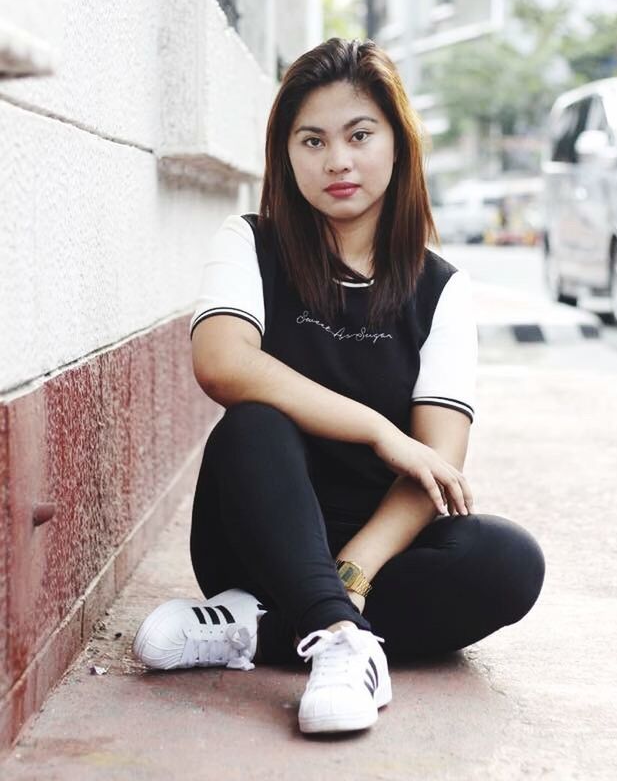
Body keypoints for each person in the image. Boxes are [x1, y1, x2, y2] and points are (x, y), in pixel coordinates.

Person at [132, 37, 545, 735]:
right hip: (252, 538)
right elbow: (223, 363)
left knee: (508, 562)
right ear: (286, 155)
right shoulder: (248, 243)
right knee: (254, 421)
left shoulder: (441, 288)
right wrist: (381, 431)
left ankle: (252, 629)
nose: (338, 161)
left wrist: (349, 572)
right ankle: (341, 644)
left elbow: (437, 465)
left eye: (359, 135)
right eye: (312, 141)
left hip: (376, 549)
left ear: (397, 144)